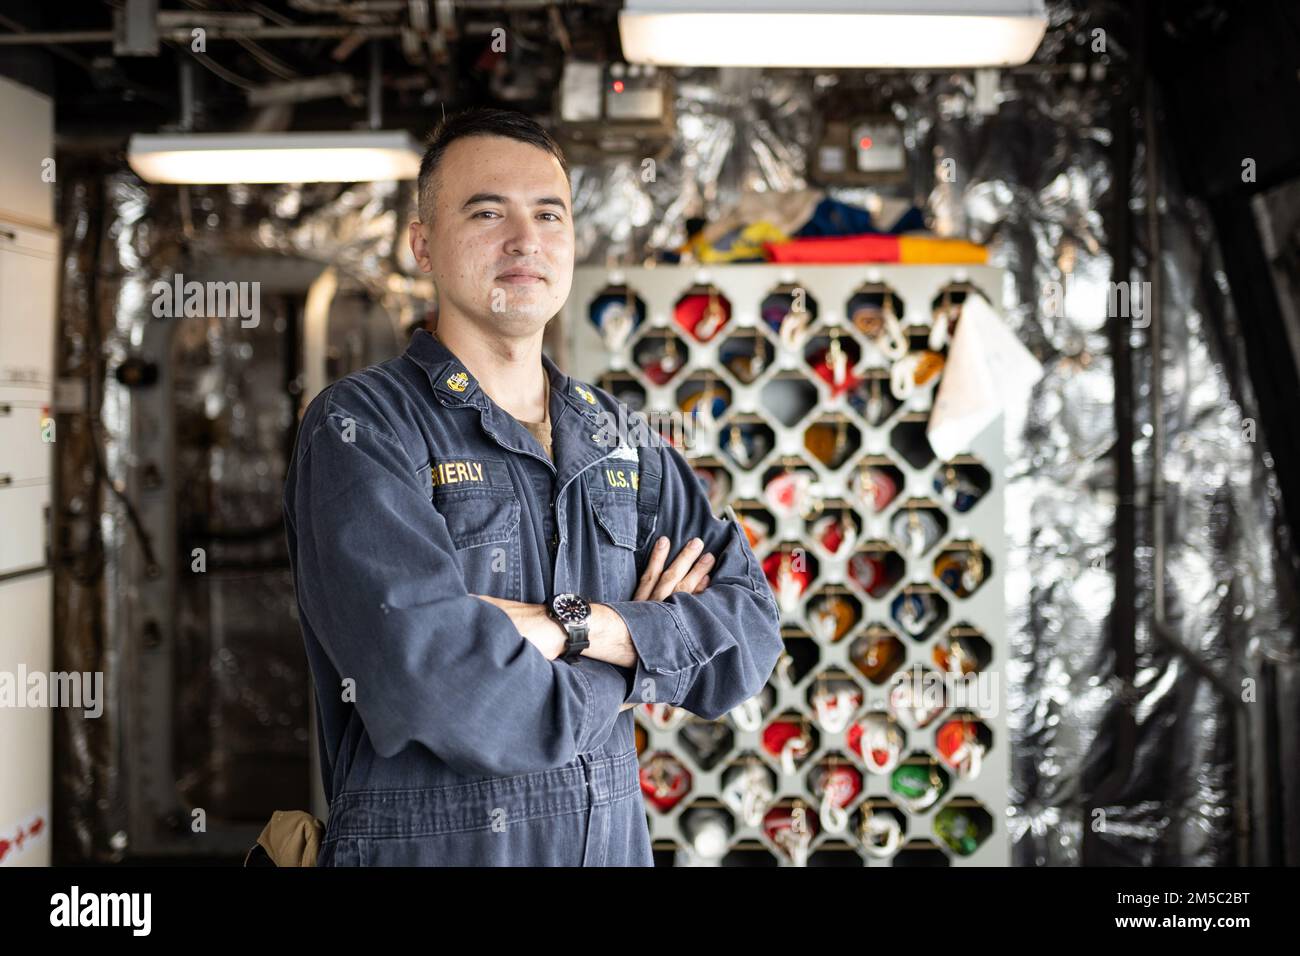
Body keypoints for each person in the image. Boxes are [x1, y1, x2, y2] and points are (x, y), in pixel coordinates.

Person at [282, 106, 783, 866]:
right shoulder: (362, 429)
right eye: (488, 213)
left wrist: (572, 627)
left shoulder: (620, 439)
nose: (526, 241)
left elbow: (746, 634)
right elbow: (440, 684)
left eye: (549, 215)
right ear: (421, 243)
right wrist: (637, 652)